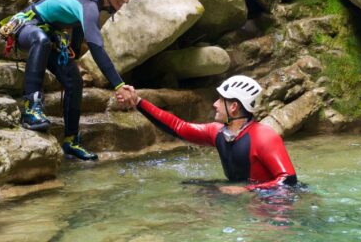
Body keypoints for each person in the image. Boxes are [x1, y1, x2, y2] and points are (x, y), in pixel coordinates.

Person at [0, 0, 138, 161]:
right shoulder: (89, 4)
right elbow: (96, 47)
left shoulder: (92, 2)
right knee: (42, 40)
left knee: (74, 79)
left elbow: (79, 27)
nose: (126, 0)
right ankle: (31, 109)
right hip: (26, 27)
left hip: (49, 37)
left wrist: (72, 52)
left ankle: (71, 141)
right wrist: (120, 85)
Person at [119, 75, 297, 192]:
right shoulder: (217, 132)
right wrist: (139, 102)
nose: (214, 104)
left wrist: (246, 190)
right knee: (194, 188)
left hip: (273, 202)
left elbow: (288, 181)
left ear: (234, 107)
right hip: (242, 193)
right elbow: (178, 127)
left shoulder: (264, 137)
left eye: (220, 100)